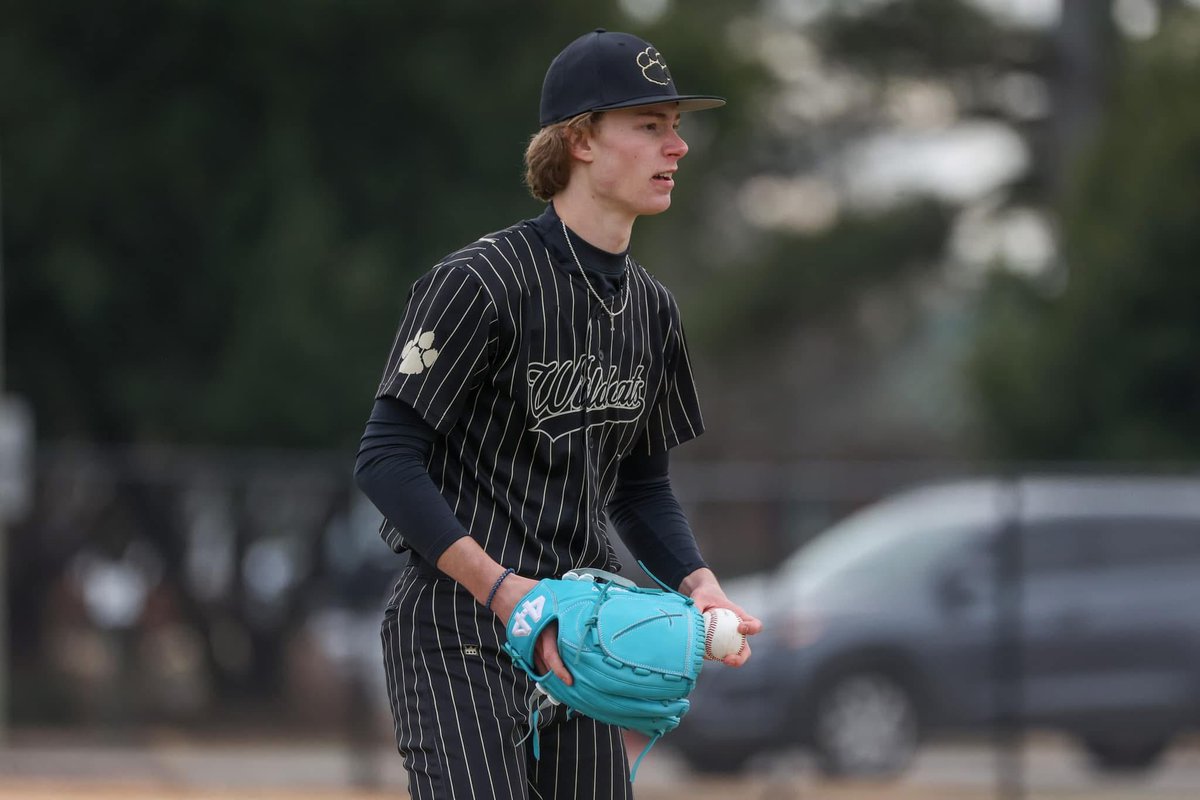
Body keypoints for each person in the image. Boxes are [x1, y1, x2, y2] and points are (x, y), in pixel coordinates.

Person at [354, 28, 762, 800]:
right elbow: (385, 458)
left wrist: (699, 583)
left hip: (582, 636)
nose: (676, 146)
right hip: (458, 633)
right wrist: (507, 591)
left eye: (675, 125)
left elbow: (639, 491)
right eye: (650, 125)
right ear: (579, 140)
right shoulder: (479, 282)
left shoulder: (652, 311)